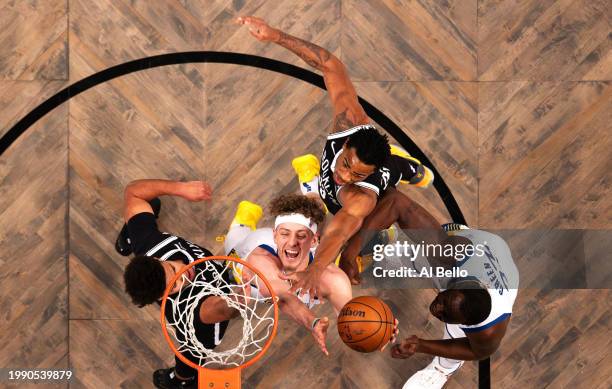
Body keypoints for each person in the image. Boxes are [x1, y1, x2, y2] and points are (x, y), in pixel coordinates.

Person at [236, 16, 434, 295]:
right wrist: (275, 35)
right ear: (348, 141)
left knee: (365, 237)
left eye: (357, 174)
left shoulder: (360, 198)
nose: (344, 175)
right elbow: (329, 64)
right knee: (325, 198)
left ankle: (408, 169)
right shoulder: (348, 120)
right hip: (362, 171)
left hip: (372, 190)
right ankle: (404, 166)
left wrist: (314, 271)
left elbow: (339, 233)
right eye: (345, 164)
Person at [118, 179, 239, 389]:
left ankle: (127, 239)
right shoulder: (194, 308)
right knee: (190, 359)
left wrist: (179, 189)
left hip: (212, 276)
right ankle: (180, 381)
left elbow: (133, 192)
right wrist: (252, 288)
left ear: (156, 258)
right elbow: (226, 308)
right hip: (199, 333)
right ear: (161, 297)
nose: (184, 274)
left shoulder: (150, 245)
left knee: (145, 203)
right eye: (174, 285)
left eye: (173, 269)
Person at [390, 224, 519, 389]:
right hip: (486, 247)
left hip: (503, 273)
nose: (436, 310)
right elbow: (399, 204)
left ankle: (441, 368)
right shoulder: (451, 255)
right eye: (443, 303)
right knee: (424, 256)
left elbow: (475, 350)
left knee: (455, 333)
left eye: (445, 314)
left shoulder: (488, 328)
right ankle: (404, 257)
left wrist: (420, 345)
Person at [223, 194, 353, 355]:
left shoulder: (332, 278)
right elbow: (284, 297)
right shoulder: (261, 258)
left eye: (301, 236)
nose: (292, 242)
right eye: (285, 234)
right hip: (241, 254)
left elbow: (352, 317)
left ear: (313, 241)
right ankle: (246, 216)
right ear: (275, 235)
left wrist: (381, 326)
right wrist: (313, 322)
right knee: (234, 239)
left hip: (295, 275)